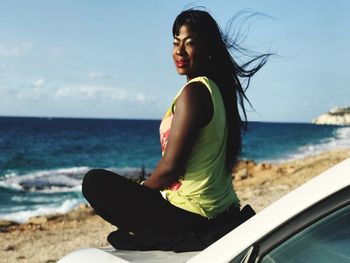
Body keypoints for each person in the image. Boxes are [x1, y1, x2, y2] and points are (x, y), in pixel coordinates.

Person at [82, 8, 269, 251]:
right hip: (215, 211)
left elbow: (170, 169)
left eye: (189, 43)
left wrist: (138, 194)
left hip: (191, 216)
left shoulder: (195, 93)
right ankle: (154, 235)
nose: (179, 51)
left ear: (208, 50)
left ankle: (165, 238)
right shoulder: (215, 91)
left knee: (94, 182)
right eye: (175, 43)